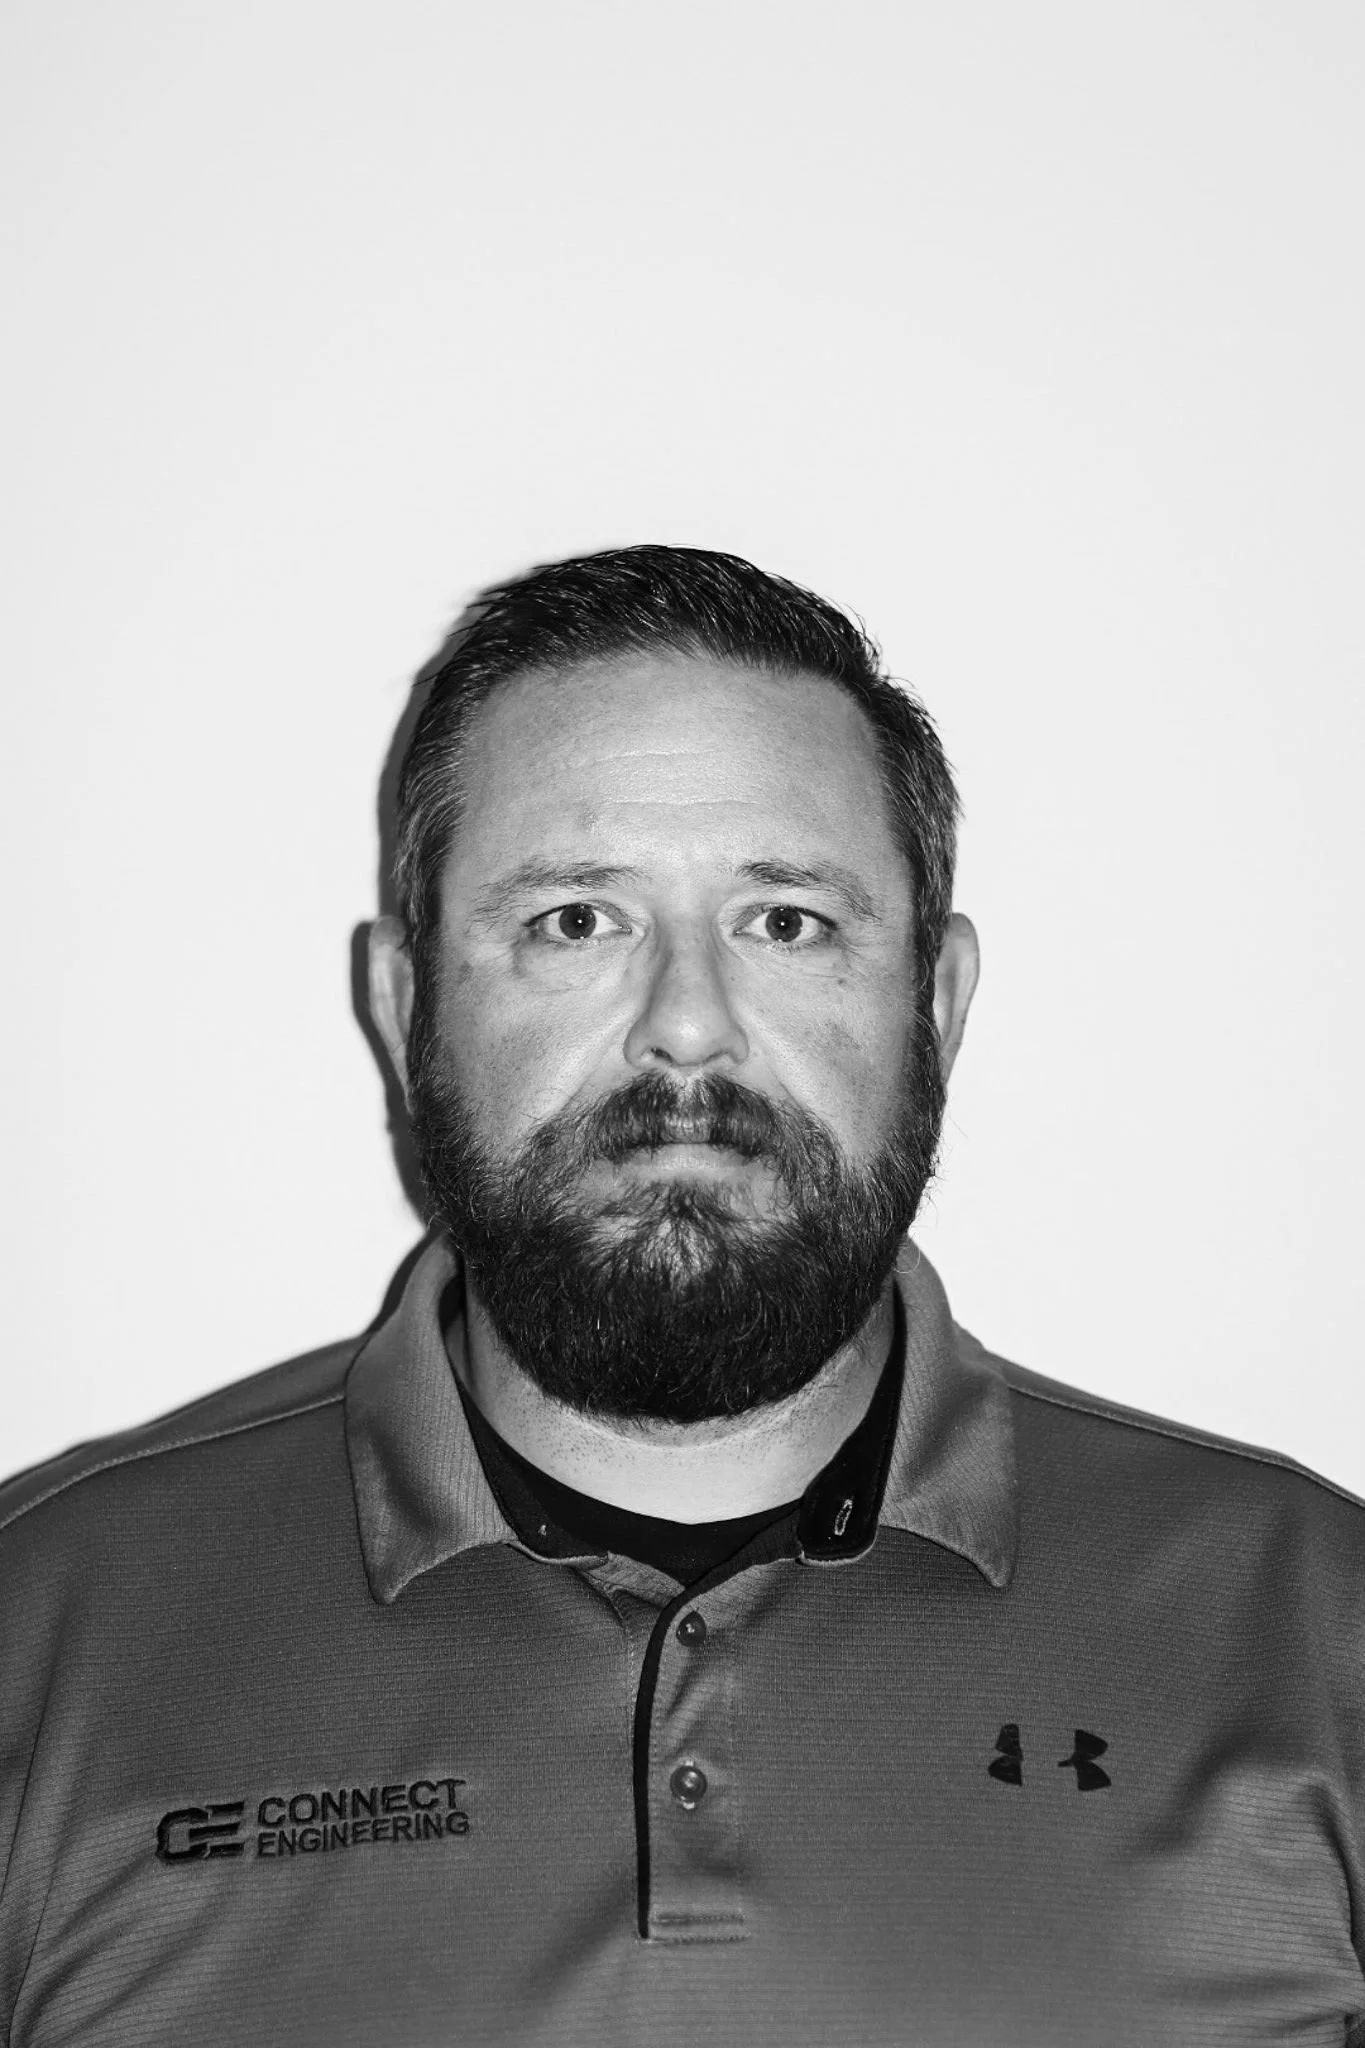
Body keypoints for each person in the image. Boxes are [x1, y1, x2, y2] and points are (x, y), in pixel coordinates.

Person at [1, 546, 1362, 2048]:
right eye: (576, 921)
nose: (689, 1031)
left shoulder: (1313, 1638)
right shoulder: (41, 1640)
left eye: (787, 921)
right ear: (404, 1011)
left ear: (941, 1004)